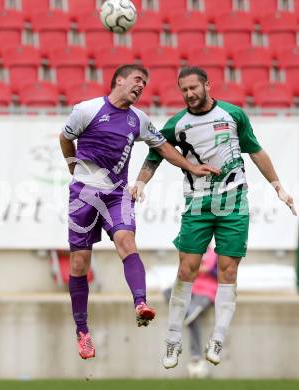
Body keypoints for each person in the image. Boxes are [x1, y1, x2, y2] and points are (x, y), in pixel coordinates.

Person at [131, 66, 297, 368]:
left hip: (234, 203)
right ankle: (172, 339)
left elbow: (256, 151)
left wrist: (278, 188)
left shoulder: (232, 115)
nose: (189, 94)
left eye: (194, 88)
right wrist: (141, 182)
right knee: (187, 269)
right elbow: (156, 153)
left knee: (228, 270)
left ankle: (218, 338)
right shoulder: (177, 124)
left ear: (207, 85)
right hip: (197, 204)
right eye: (184, 90)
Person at [59, 64, 219, 360]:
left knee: (127, 242)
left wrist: (191, 166)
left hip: (117, 193)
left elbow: (164, 147)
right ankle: (82, 330)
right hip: (83, 194)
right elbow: (65, 138)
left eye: (144, 83)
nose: (141, 86)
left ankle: (140, 304)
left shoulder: (139, 120)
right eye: (137, 80)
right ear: (118, 80)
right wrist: (73, 167)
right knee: (79, 264)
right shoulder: (87, 110)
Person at [163, 246, 217, 378]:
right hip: (191, 288)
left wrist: (200, 269)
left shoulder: (215, 254)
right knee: (168, 292)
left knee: (194, 318)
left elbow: (216, 271)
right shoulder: (192, 251)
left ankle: (196, 357)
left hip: (205, 290)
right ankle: (189, 311)